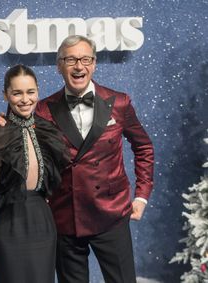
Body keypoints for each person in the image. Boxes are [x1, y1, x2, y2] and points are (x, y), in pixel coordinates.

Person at [35, 35, 154, 283]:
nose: (79, 66)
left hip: (111, 214)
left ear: (95, 63)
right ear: (59, 65)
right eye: (71, 59)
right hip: (65, 217)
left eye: (86, 59)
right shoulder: (43, 109)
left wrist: (142, 195)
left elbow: (143, 147)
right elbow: (36, 161)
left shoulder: (119, 102)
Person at [0, 65, 69, 283]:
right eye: (17, 93)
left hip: (42, 221)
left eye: (30, 92)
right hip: (8, 221)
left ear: (38, 91)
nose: (25, 99)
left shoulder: (48, 130)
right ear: (5, 95)